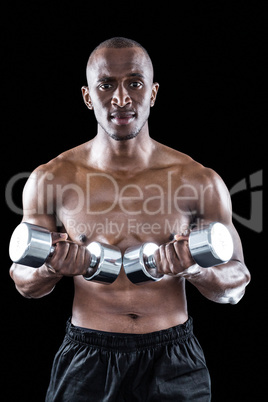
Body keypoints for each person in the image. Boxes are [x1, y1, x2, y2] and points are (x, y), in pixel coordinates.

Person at [9, 37, 251, 401]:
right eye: (106, 85)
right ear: (88, 97)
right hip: (87, 356)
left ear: (152, 92)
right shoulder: (51, 179)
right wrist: (51, 268)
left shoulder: (198, 180)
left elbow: (237, 284)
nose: (121, 98)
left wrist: (195, 269)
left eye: (134, 83)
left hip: (174, 359)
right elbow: (22, 281)